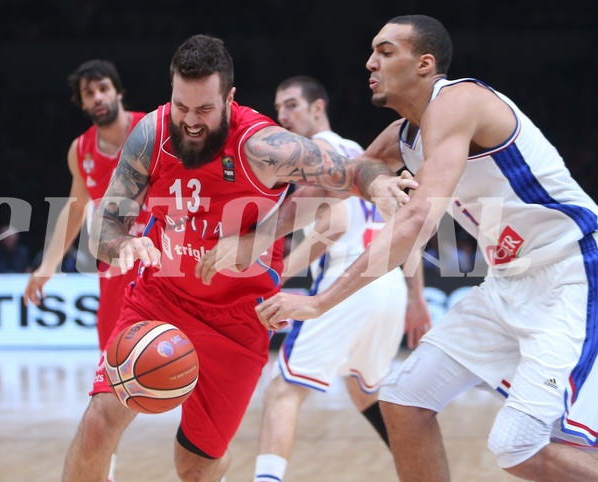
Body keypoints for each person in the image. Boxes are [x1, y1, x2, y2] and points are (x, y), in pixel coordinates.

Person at [255, 15, 598, 482]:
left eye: (386, 51)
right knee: (402, 400)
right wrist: (250, 238)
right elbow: (333, 186)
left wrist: (318, 302)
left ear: (425, 63)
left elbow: (417, 221)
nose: (369, 61)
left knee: (518, 446)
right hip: (507, 282)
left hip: (572, 271)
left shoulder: (459, 101)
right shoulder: (404, 136)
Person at [64, 34, 414, 482]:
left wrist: (379, 184)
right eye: (181, 107)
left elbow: (348, 169)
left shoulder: (261, 144)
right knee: (98, 421)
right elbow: (106, 227)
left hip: (238, 320)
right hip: (158, 301)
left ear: (229, 99)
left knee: (195, 464)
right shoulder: (150, 133)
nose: (190, 122)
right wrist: (121, 244)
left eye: (204, 110)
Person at [253, 75, 431, 482]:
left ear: (318, 108)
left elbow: (332, 226)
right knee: (364, 390)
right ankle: (421, 472)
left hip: (347, 282)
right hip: (386, 287)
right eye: (279, 107)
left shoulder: (318, 154)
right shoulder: (361, 154)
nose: (282, 115)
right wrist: (414, 297)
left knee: (283, 390)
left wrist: (276, 271)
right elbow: (407, 228)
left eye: (292, 105)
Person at [22, 59, 147, 482]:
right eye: (89, 93)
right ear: (83, 103)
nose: (97, 97)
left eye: (103, 88)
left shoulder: (151, 130)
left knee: (192, 369)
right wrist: (48, 265)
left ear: (118, 92)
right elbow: (75, 209)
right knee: (109, 381)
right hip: (114, 273)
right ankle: (103, 472)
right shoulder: (81, 151)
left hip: (164, 262)